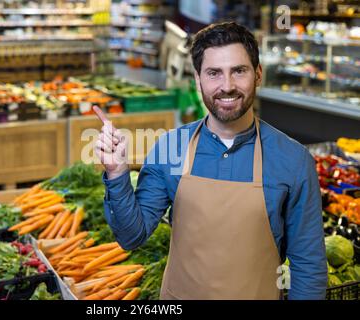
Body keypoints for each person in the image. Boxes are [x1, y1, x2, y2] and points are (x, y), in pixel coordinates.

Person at [93, 22, 327, 300]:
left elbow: (308, 267)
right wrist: (118, 174)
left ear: (258, 74)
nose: (227, 86)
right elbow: (132, 236)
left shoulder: (293, 159)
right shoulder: (170, 147)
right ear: (197, 80)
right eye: (214, 73)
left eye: (239, 71)